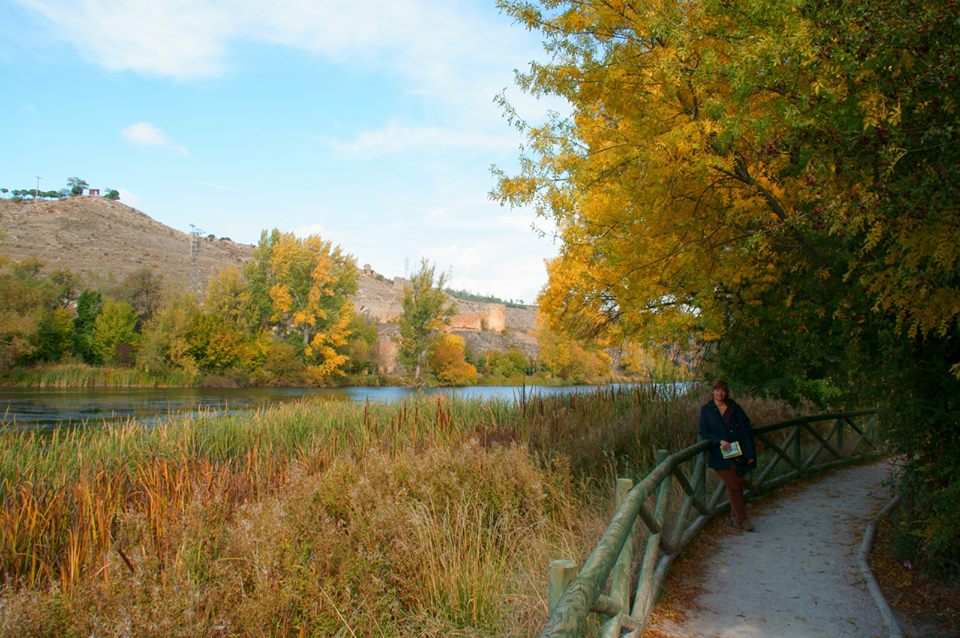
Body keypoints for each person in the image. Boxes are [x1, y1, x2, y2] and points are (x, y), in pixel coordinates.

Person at [699, 379, 758, 531]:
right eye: (717, 390)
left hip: (737, 451)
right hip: (719, 454)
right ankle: (743, 519)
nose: (720, 393)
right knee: (734, 484)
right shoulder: (706, 410)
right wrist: (719, 441)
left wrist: (750, 453)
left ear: (726, 392)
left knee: (738, 483)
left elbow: (746, 429)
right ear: (713, 391)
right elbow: (704, 432)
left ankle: (735, 519)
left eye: (723, 390)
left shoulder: (734, 407)